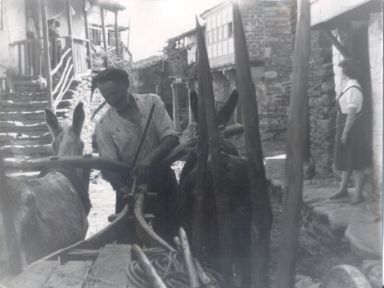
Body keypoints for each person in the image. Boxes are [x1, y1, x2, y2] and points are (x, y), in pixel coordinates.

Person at [93, 68, 179, 235]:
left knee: (173, 235)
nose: (111, 100)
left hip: (163, 181)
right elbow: (109, 168)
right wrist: (122, 188)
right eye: (106, 97)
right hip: (129, 189)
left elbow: (171, 138)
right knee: (130, 242)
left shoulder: (152, 102)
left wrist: (149, 159)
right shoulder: (104, 125)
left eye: (115, 93)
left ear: (127, 84)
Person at [329, 58, 370, 204]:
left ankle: (358, 195)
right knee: (346, 158)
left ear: (346, 72)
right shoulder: (347, 86)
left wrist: (345, 133)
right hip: (344, 124)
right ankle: (343, 189)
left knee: (357, 161)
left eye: (341, 70)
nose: (339, 73)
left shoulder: (353, 89)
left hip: (353, 128)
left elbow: (352, 115)